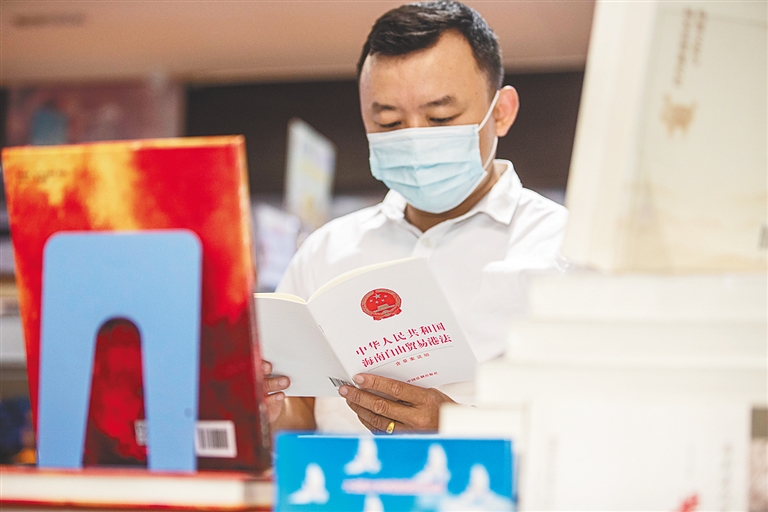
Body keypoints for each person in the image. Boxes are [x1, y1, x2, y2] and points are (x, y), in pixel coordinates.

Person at [263, 0, 568, 435]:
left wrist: (454, 426)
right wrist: (267, 408)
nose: (415, 140)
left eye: (440, 117)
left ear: (501, 112)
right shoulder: (326, 251)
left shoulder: (562, 248)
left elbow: (596, 423)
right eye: (389, 123)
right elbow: (300, 411)